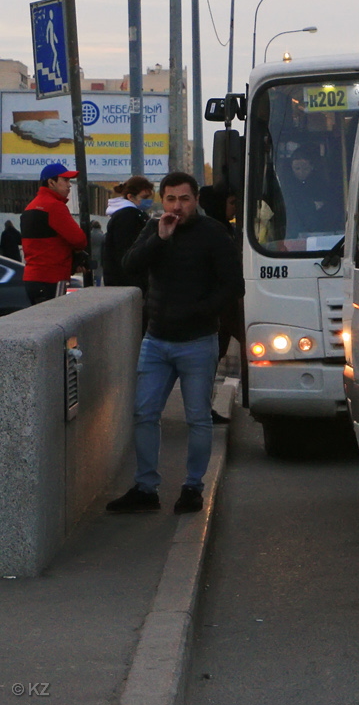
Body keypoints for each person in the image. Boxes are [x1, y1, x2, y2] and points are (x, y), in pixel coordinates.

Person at [106, 172, 243, 515]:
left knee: (197, 418)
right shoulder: (155, 228)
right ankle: (145, 487)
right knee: (144, 413)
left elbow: (233, 286)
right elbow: (129, 265)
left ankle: (193, 488)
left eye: (184, 199)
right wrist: (160, 238)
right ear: (162, 200)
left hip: (197, 341)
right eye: (170, 199)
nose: (177, 206)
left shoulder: (214, 233)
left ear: (195, 199)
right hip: (156, 340)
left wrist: (199, 311)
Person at [199, 183, 243, 427]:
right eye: (232, 203)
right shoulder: (213, 232)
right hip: (218, 308)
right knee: (208, 361)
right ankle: (203, 410)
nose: (234, 208)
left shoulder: (227, 229)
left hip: (225, 305)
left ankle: (204, 409)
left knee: (214, 357)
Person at [20, 162, 87, 305]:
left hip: (32, 277)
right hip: (52, 278)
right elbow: (79, 239)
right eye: (65, 180)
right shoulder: (54, 206)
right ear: (51, 182)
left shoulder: (30, 206)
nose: (69, 185)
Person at [103, 175, 154, 290]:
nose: (149, 201)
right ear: (130, 197)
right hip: (128, 283)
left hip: (123, 282)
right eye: (145, 197)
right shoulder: (128, 217)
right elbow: (126, 252)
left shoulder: (128, 215)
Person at [88, 220, 105, 285]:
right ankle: (98, 284)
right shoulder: (102, 235)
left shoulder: (90, 234)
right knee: (98, 271)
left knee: (92, 270)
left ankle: (92, 282)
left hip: (91, 254)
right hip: (100, 255)